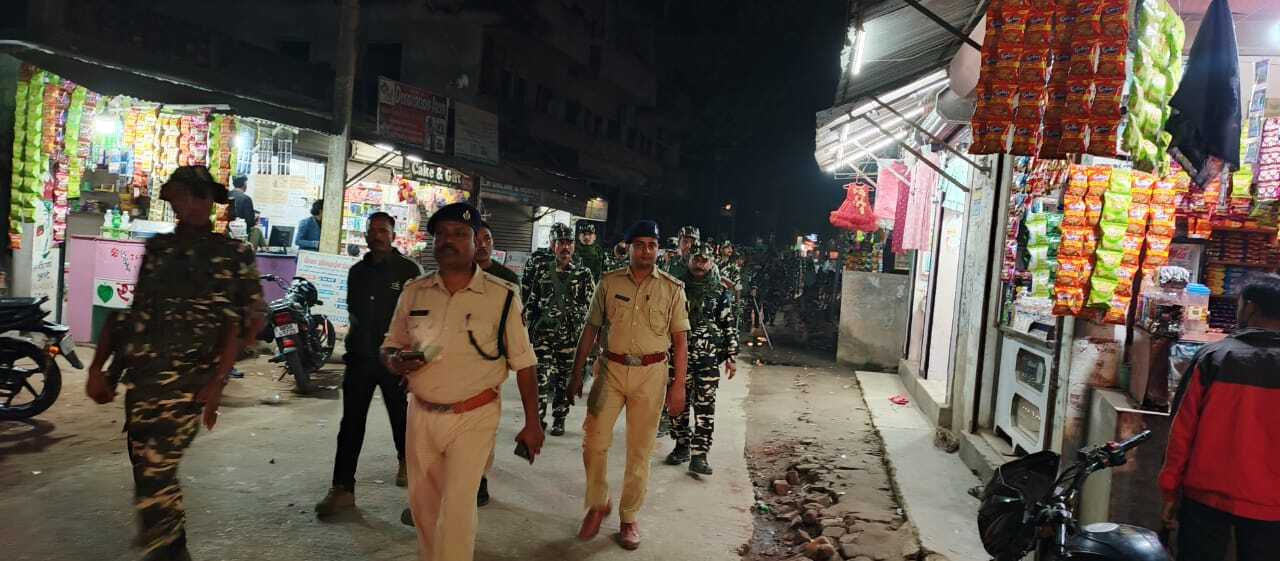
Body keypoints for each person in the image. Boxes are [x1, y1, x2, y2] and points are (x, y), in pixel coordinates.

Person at [84, 165, 265, 561]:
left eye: (199, 196)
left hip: (189, 383)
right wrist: (103, 369)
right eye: (184, 196)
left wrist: (217, 381)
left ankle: (166, 551)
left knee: (156, 471)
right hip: (143, 380)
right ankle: (172, 546)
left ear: (210, 202)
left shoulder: (233, 254)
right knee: (145, 469)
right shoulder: (159, 249)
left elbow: (248, 323)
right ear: (174, 200)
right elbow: (133, 316)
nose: (191, 204)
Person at [382, 202, 544, 561]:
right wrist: (393, 361)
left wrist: (533, 423)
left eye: (459, 234)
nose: (448, 241)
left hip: (474, 416)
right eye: (441, 234)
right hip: (421, 414)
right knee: (423, 507)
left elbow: (525, 363)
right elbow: (391, 344)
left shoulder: (502, 296)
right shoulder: (414, 291)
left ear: (476, 242)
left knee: (457, 508)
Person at [568, 219, 689, 550]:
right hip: (610, 369)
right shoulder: (608, 283)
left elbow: (680, 341)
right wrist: (576, 373)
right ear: (629, 248)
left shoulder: (672, 289)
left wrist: (678, 386)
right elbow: (591, 329)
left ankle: (629, 517)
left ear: (658, 249)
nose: (646, 251)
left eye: (652, 245)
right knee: (593, 441)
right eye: (639, 245)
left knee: (640, 449)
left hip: (652, 374)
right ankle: (598, 502)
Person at [1159, 274, 1280, 561]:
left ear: (1249, 307)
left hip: (1205, 498)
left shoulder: (1214, 357)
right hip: (1272, 505)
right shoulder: (1214, 356)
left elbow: (1182, 430)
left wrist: (1170, 489)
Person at [314, 212, 421, 517]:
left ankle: (410, 472)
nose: (377, 236)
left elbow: (418, 319)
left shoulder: (409, 271)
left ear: (393, 235)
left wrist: (410, 360)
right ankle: (342, 489)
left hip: (395, 361)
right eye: (372, 231)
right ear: (365, 236)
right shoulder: (357, 272)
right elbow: (355, 313)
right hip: (360, 359)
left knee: (402, 420)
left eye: (383, 230)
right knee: (350, 425)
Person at [665, 242, 738, 475]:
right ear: (689, 260)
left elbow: (728, 323)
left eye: (704, 260)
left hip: (708, 359)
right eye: (696, 259)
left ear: (711, 262)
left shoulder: (719, 291)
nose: (700, 264)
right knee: (678, 406)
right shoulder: (675, 287)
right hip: (678, 358)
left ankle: (700, 455)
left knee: (705, 407)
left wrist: (731, 355)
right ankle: (682, 446)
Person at [526, 223, 595, 436]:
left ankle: (559, 419)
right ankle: (537, 420)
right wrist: (527, 333)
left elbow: (592, 309)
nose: (565, 247)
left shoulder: (583, 274)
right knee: (540, 378)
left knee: (564, 380)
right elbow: (532, 303)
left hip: (570, 338)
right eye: (561, 243)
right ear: (552, 245)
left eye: (569, 243)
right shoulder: (542, 270)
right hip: (543, 337)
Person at [476, 221, 520, 286]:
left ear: (493, 243)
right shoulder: (462, 274)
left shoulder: (509, 278)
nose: (483, 244)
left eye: (487, 239)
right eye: (476, 240)